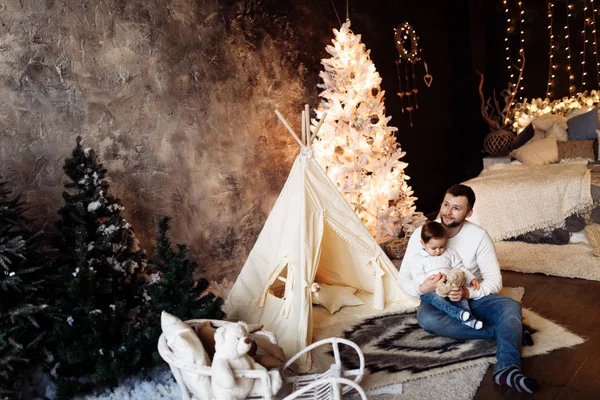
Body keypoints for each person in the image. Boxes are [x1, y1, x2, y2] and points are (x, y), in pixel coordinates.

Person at [398, 184, 538, 394]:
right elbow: (403, 278)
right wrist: (422, 287)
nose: (447, 211)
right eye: (446, 204)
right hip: (439, 301)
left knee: (510, 307)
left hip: (472, 296)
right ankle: (509, 332)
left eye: (456, 208)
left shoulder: (479, 236)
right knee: (427, 319)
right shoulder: (424, 232)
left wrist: (467, 293)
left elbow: (494, 281)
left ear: (469, 213)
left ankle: (507, 369)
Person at [409, 220, 483, 330]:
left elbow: (460, 269)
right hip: (431, 291)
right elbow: (417, 276)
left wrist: (471, 279)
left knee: (461, 297)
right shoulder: (418, 259)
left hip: (450, 286)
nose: (438, 251)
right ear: (423, 243)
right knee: (435, 298)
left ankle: (469, 320)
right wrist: (431, 281)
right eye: (433, 248)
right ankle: (458, 314)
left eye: (441, 246)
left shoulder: (449, 253)